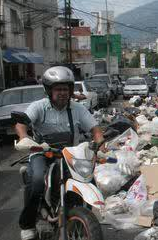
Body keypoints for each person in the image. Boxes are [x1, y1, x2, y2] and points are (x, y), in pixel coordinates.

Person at [15, 66, 104, 240]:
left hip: (70, 153)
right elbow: (21, 124)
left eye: (66, 89)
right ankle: (27, 224)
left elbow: (95, 129)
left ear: (71, 90)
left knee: (89, 180)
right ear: (49, 90)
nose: (62, 93)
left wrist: (99, 142)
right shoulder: (38, 107)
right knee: (38, 182)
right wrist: (24, 137)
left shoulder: (77, 108)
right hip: (42, 152)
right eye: (58, 89)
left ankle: (79, 216)